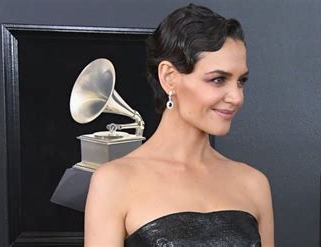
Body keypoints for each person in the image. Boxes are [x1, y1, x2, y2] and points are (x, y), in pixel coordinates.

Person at [84, 4, 274, 246]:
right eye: (218, 79)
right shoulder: (114, 181)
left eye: (241, 81)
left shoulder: (254, 183)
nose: (236, 97)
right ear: (169, 78)